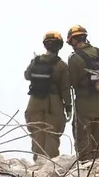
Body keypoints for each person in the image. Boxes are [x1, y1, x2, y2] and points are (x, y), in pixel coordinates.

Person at [24, 31, 73, 160]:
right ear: (59, 46)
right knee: (52, 133)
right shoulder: (62, 65)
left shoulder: (36, 61)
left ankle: (38, 163)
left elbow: (27, 75)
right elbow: (65, 88)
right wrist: (68, 107)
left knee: (37, 132)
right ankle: (50, 164)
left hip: (35, 101)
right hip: (54, 103)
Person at [66, 25, 99, 161]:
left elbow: (72, 81)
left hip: (84, 103)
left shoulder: (75, 58)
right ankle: (98, 164)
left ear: (73, 40)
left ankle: (86, 167)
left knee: (83, 136)